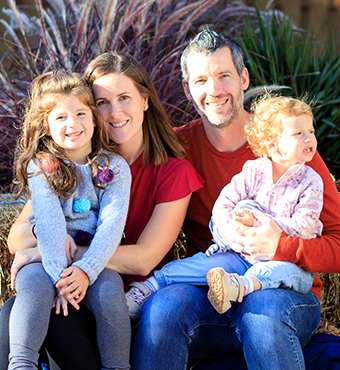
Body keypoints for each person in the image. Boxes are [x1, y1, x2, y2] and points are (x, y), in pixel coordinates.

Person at [129, 29, 340, 370]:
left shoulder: (292, 148)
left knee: (262, 315)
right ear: (187, 89)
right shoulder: (178, 149)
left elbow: (338, 243)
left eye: (223, 76)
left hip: (283, 294)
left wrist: (281, 245)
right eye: (200, 80)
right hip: (213, 291)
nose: (213, 90)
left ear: (243, 78)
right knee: (163, 309)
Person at [0, 52, 204, 370]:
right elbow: (17, 239)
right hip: (73, 289)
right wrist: (47, 242)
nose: (114, 111)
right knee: (14, 311)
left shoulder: (169, 171)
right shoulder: (66, 164)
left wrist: (52, 253)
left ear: (145, 101)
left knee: (55, 317)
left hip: (131, 304)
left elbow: (143, 259)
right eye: (102, 102)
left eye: (124, 98)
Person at [125, 95, 323, 318]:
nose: (309, 139)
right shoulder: (253, 170)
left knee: (283, 273)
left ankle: (241, 286)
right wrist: (232, 227)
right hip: (240, 255)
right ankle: (148, 287)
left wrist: (263, 225)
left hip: (286, 262)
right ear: (273, 144)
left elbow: (305, 226)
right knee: (201, 264)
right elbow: (224, 204)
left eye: (311, 132)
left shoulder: (311, 181)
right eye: (299, 133)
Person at [7, 70, 132, 370]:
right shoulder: (43, 167)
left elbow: (112, 227)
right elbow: (50, 226)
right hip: (48, 260)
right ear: (47, 126)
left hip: (93, 258)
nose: (72, 124)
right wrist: (60, 281)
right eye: (61, 117)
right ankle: (21, 364)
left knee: (110, 290)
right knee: (33, 286)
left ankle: (117, 367)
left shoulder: (113, 167)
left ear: (93, 118)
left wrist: (85, 272)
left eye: (80, 113)